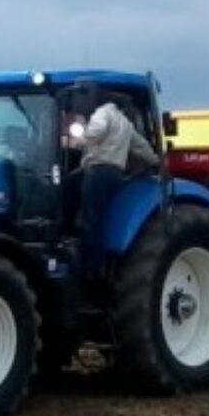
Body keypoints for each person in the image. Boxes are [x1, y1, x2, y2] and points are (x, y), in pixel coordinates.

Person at [69, 83, 159, 280]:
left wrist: (78, 140)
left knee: (89, 219)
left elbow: (96, 132)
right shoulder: (125, 124)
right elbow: (141, 145)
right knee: (105, 218)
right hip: (115, 174)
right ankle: (102, 263)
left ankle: (88, 265)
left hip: (97, 172)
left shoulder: (103, 113)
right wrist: (156, 160)